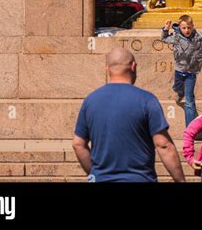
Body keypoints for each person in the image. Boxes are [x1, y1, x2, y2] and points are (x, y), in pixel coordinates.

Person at [72, 46, 185, 182]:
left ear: (107, 69)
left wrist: (95, 174)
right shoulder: (147, 100)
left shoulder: (90, 101)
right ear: (133, 66)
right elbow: (164, 145)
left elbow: (78, 144)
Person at [161, 14, 202, 126]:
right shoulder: (176, 38)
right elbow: (164, 39)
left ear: (192, 27)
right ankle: (179, 92)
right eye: (184, 28)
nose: (187, 30)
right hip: (179, 70)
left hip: (191, 73)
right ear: (180, 28)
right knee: (177, 88)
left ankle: (190, 128)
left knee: (189, 101)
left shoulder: (198, 39)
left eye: (189, 28)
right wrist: (166, 29)